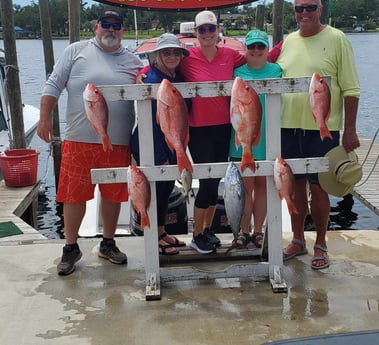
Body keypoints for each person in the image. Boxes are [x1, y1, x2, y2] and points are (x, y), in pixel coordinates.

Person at [37, 9, 144, 275]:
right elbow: (53, 84)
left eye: (116, 26)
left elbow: (147, 86)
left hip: (117, 141)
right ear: (96, 27)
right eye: (105, 25)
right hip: (78, 139)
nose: (111, 30)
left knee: (113, 194)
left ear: (122, 30)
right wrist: (44, 118)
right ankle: (70, 246)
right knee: (73, 195)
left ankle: (108, 243)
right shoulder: (75, 51)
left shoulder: (132, 60)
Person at [276, 0, 360, 269]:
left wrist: (349, 129)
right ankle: (298, 240)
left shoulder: (337, 39)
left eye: (310, 7)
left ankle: (321, 243)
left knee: (319, 186)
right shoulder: (288, 41)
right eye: (299, 9)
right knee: (295, 184)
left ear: (320, 9)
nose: (304, 13)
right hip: (288, 126)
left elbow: (351, 88)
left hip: (323, 129)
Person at [179, 10, 246, 254]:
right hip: (198, 128)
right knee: (206, 182)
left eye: (211, 28)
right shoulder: (187, 58)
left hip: (224, 126)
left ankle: (207, 229)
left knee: (216, 179)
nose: (207, 33)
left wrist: (283, 47)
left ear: (218, 30)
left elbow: (258, 59)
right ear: (195, 33)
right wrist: (142, 77)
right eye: (202, 30)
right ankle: (196, 235)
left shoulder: (229, 55)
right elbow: (159, 66)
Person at [131, 33, 189, 255]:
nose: (172, 56)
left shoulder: (179, 77)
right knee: (155, 186)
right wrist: (141, 75)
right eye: (166, 52)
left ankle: (161, 231)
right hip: (149, 140)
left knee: (166, 187)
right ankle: (152, 236)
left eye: (176, 52)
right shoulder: (150, 78)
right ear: (156, 56)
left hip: (170, 139)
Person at [229, 29, 282, 249]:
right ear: (245, 49)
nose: (256, 51)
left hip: (269, 136)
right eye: (252, 47)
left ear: (267, 49)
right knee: (244, 186)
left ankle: (258, 230)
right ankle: (243, 231)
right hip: (242, 136)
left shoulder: (277, 70)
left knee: (263, 186)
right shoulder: (236, 73)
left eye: (261, 46)